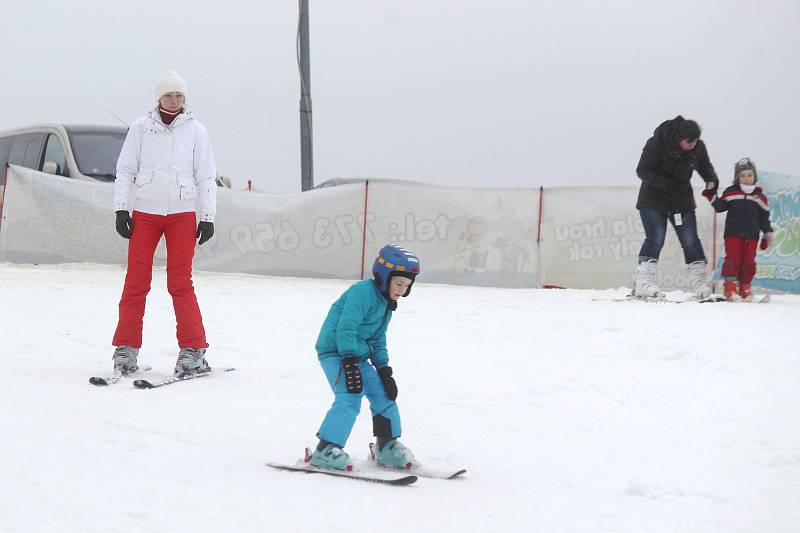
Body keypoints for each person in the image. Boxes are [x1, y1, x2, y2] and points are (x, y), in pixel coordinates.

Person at [110, 71, 217, 376]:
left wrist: (207, 216)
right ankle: (126, 350)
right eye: (169, 95)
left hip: (182, 215)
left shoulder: (197, 132)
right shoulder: (141, 130)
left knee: (180, 282)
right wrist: (121, 210)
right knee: (136, 281)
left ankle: (193, 350)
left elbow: (206, 176)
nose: (174, 100)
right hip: (145, 214)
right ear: (158, 97)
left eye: (179, 95)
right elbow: (125, 170)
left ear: (185, 99)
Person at [310, 244, 420, 471]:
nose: (401, 290)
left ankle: (387, 446)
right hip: (335, 353)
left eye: (406, 286)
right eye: (398, 283)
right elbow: (346, 328)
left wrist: (384, 369)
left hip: (356, 355)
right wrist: (349, 362)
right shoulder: (362, 292)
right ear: (383, 277)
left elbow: (378, 338)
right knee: (350, 396)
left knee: (384, 394)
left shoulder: (387, 304)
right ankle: (325, 450)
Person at [633, 115, 719, 298]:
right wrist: (664, 185)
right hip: (653, 198)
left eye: (695, 141)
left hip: (681, 198)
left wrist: (711, 180)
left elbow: (704, 167)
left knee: (690, 239)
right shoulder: (656, 144)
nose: (693, 145)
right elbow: (642, 170)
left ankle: (700, 283)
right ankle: (644, 283)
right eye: (689, 142)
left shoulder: (697, 148)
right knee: (656, 237)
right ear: (678, 138)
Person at [703, 157, 773, 301]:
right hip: (733, 234)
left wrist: (767, 232)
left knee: (749, 262)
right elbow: (720, 207)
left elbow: (764, 218)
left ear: (754, 177)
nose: (746, 178)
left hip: (752, 236)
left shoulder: (759, 197)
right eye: (742, 176)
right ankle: (730, 288)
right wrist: (711, 194)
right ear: (737, 178)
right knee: (732, 260)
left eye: (749, 175)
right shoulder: (731, 192)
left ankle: (745, 288)